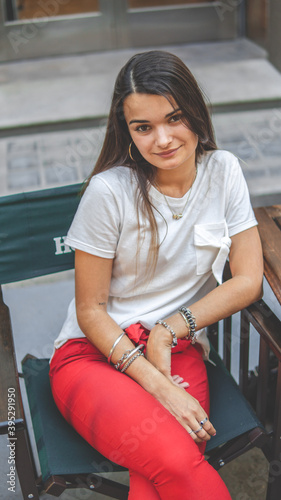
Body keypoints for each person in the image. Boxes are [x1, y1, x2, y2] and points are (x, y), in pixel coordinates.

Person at [49, 50, 263, 500]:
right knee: (178, 464)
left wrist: (168, 331)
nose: (162, 139)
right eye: (142, 127)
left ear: (195, 111)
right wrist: (160, 386)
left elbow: (248, 280)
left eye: (174, 118)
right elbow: (90, 310)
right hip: (96, 354)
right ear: (126, 132)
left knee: (163, 472)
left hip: (179, 350)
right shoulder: (110, 193)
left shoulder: (223, 172)